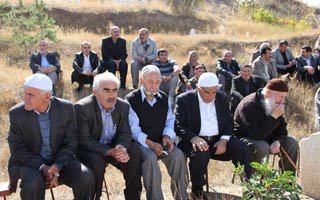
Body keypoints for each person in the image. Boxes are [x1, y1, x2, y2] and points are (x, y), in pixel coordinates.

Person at [7, 73, 94, 200]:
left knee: (85, 176)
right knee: (33, 183)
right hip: (31, 163)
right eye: (24, 93)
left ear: (47, 97)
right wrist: (43, 167)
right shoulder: (16, 113)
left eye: (30, 95)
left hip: (59, 160)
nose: (25, 98)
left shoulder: (66, 108)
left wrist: (57, 165)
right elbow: (18, 150)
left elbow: (70, 143)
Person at [175, 72, 253, 199]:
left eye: (214, 92)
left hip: (218, 140)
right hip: (194, 140)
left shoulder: (222, 97)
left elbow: (229, 121)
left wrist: (224, 140)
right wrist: (194, 138)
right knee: (200, 154)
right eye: (207, 92)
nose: (211, 96)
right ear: (198, 88)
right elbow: (179, 125)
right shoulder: (184, 99)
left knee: (242, 148)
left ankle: (250, 190)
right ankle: (197, 192)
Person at [74, 72, 142, 200]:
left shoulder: (123, 106)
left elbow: (125, 132)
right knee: (97, 161)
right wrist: (109, 151)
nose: (111, 95)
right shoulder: (82, 108)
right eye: (106, 91)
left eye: (114, 91)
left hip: (113, 146)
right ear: (94, 92)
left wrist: (121, 147)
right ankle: (94, 197)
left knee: (134, 151)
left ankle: (133, 197)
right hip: (89, 149)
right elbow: (84, 140)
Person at [126, 65, 188, 200]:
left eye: (158, 82)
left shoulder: (163, 98)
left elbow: (170, 120)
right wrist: (151, 144)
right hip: (142, 144)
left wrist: (167, 136)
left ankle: (182, 197)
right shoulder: (132, 99)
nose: (154, 86)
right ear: (141, 80)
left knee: (177, 155)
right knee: (150, 159)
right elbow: (134, 130)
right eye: (150, 82)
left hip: (161, 142)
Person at [234, 78, 299, 174]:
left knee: (292, 143)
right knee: (262, 146)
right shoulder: (248, 105)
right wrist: (273, 116)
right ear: (268, 93)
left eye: (284, 97)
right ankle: (256, 182)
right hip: (246, 139)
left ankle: (287, 181)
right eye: (280, 97)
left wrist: (277, 141)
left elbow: (282, 129)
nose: (283, 100)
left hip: (267, 137)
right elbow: (257, 134)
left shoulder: (276, 103)